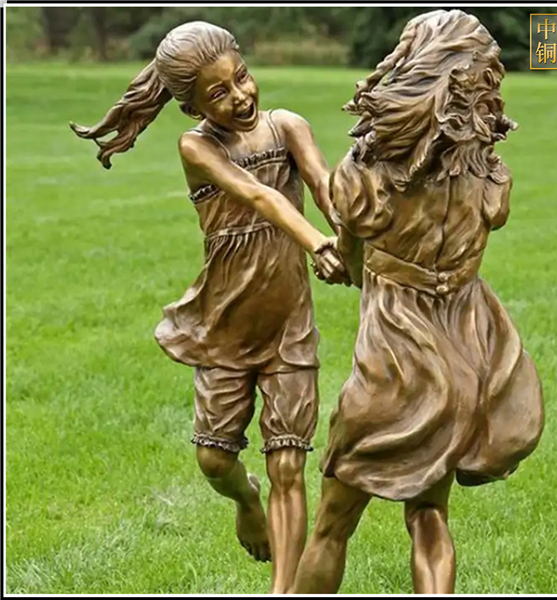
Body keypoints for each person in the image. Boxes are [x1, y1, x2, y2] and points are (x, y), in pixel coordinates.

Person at [70, 21, 349, 594]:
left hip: (289, 324)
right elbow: (257, 194)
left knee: (289, 463)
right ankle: (247, 501)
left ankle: (283, 590)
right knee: (215, 462)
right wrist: (315, 243)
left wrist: (351, 239)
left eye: (241, 78)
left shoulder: (288, 125)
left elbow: (325, 187)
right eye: (218, 93)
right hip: (225, 326)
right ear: (192, 107)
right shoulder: (197, 147)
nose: (241, 96)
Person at [292, 9, 544, 595]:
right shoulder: (490, 176)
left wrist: (341, 259)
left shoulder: (366, 173)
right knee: (429, 517)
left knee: (332, 524)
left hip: (395, 366)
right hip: (466, 363)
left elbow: (352, 259)